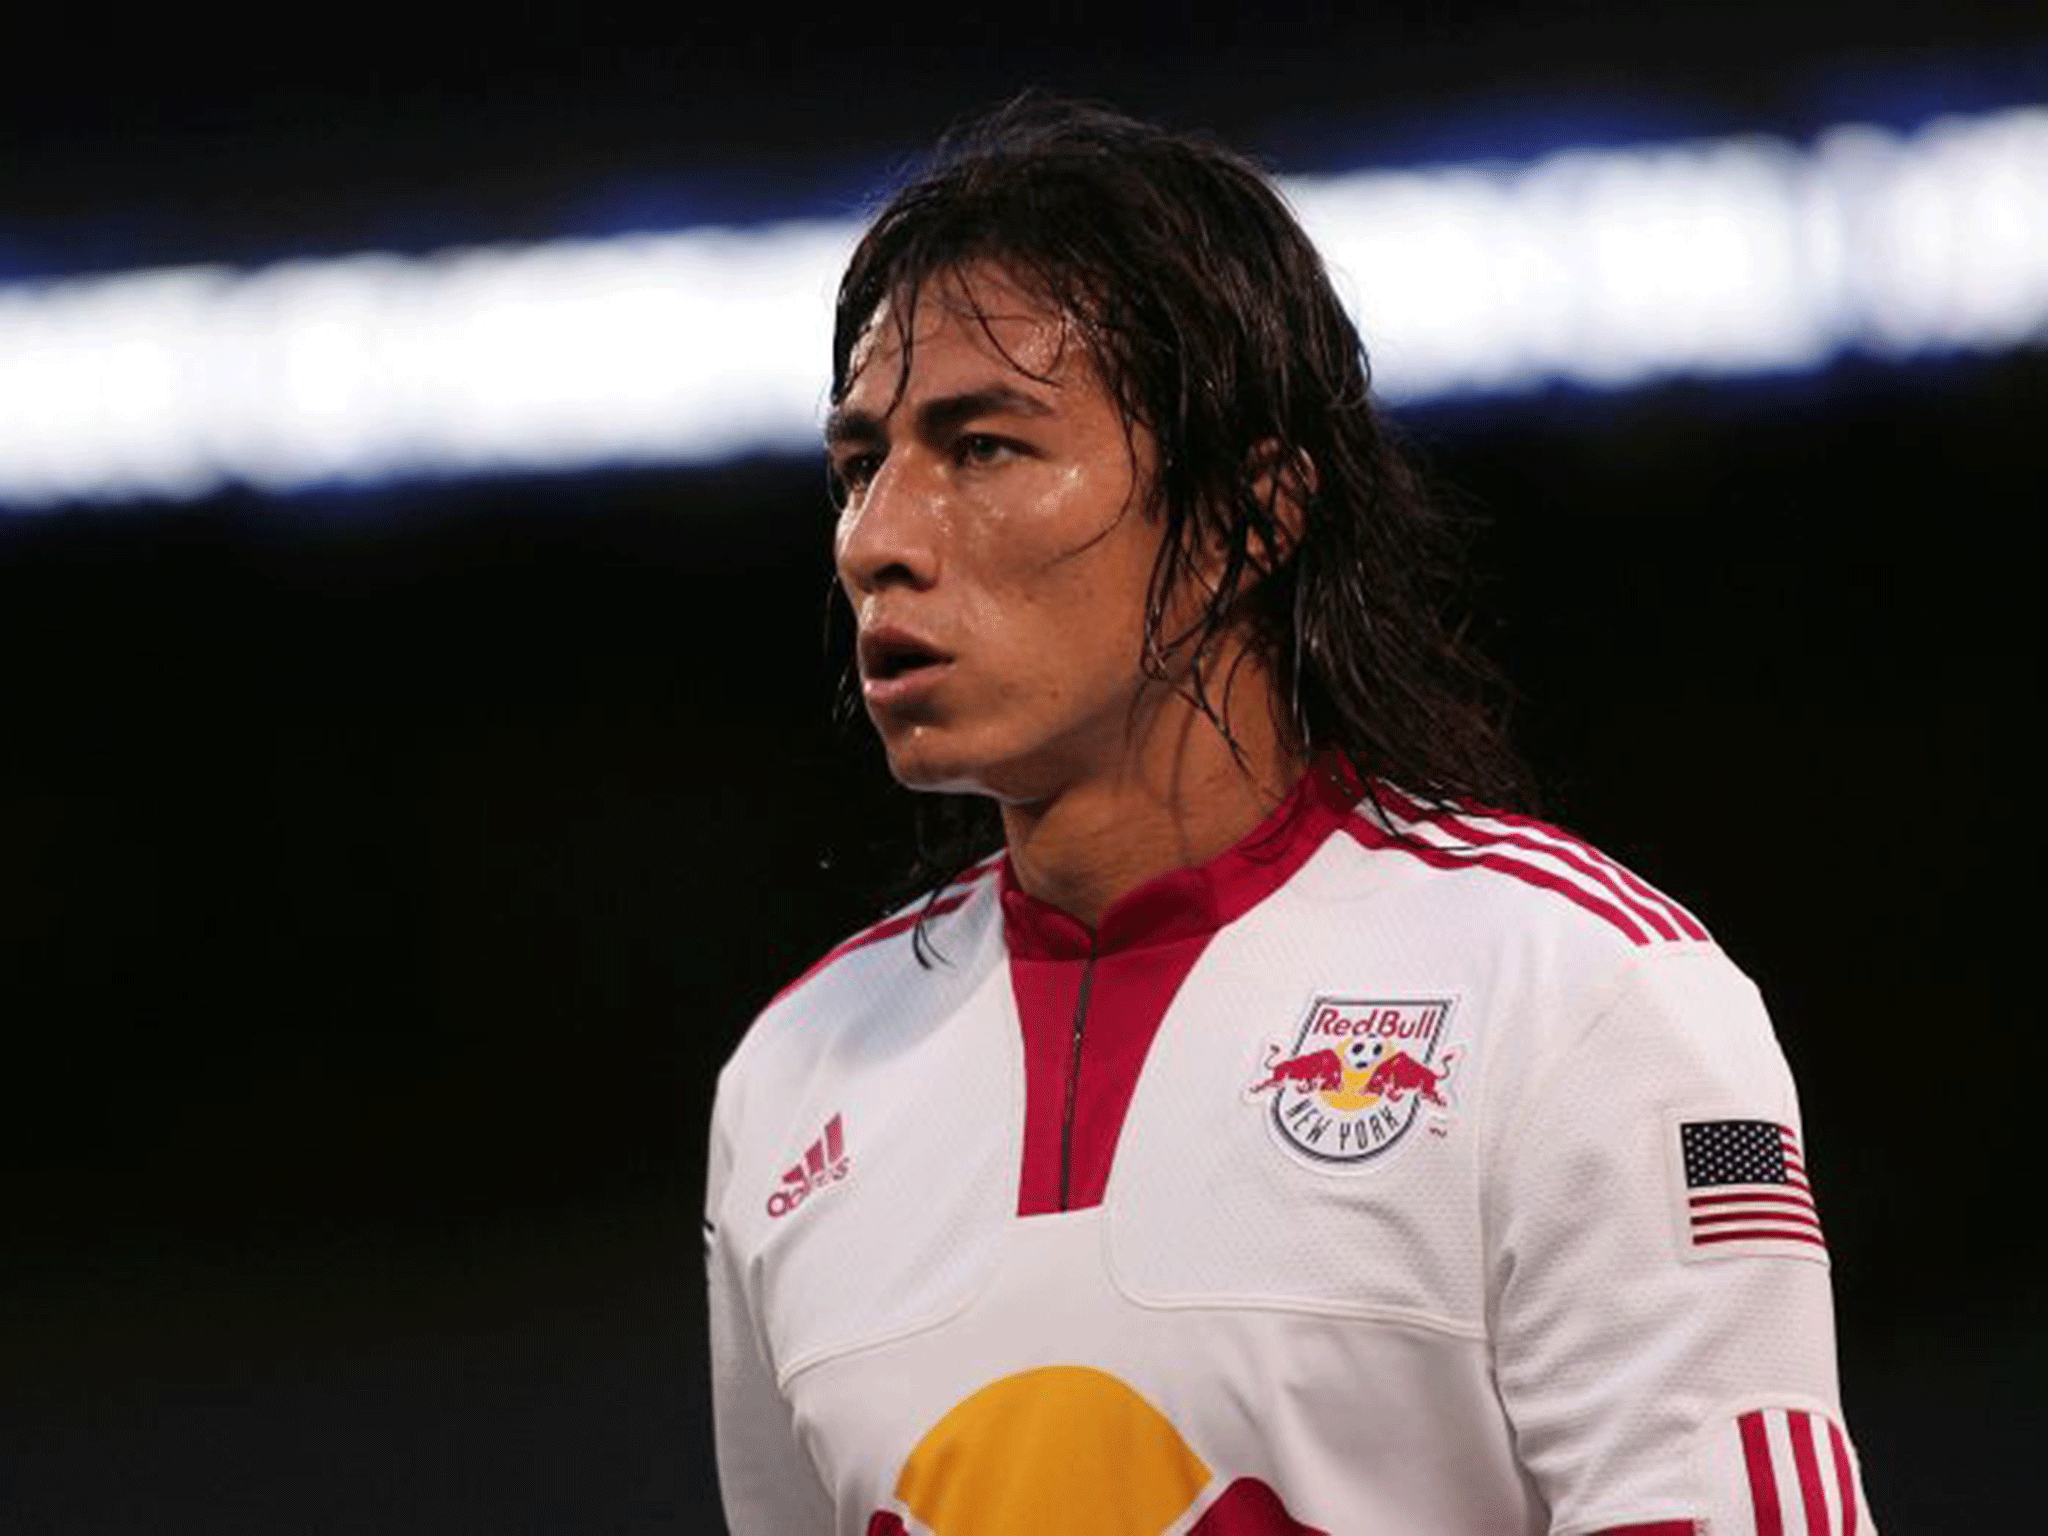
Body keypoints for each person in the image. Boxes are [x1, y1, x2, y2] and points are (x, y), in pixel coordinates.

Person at [706, 98, 1872, 1536]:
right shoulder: (789, 1089)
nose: (880, 539)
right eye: (860, 466)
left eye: (987, 448)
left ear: (1252, 518)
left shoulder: (1581, 998)